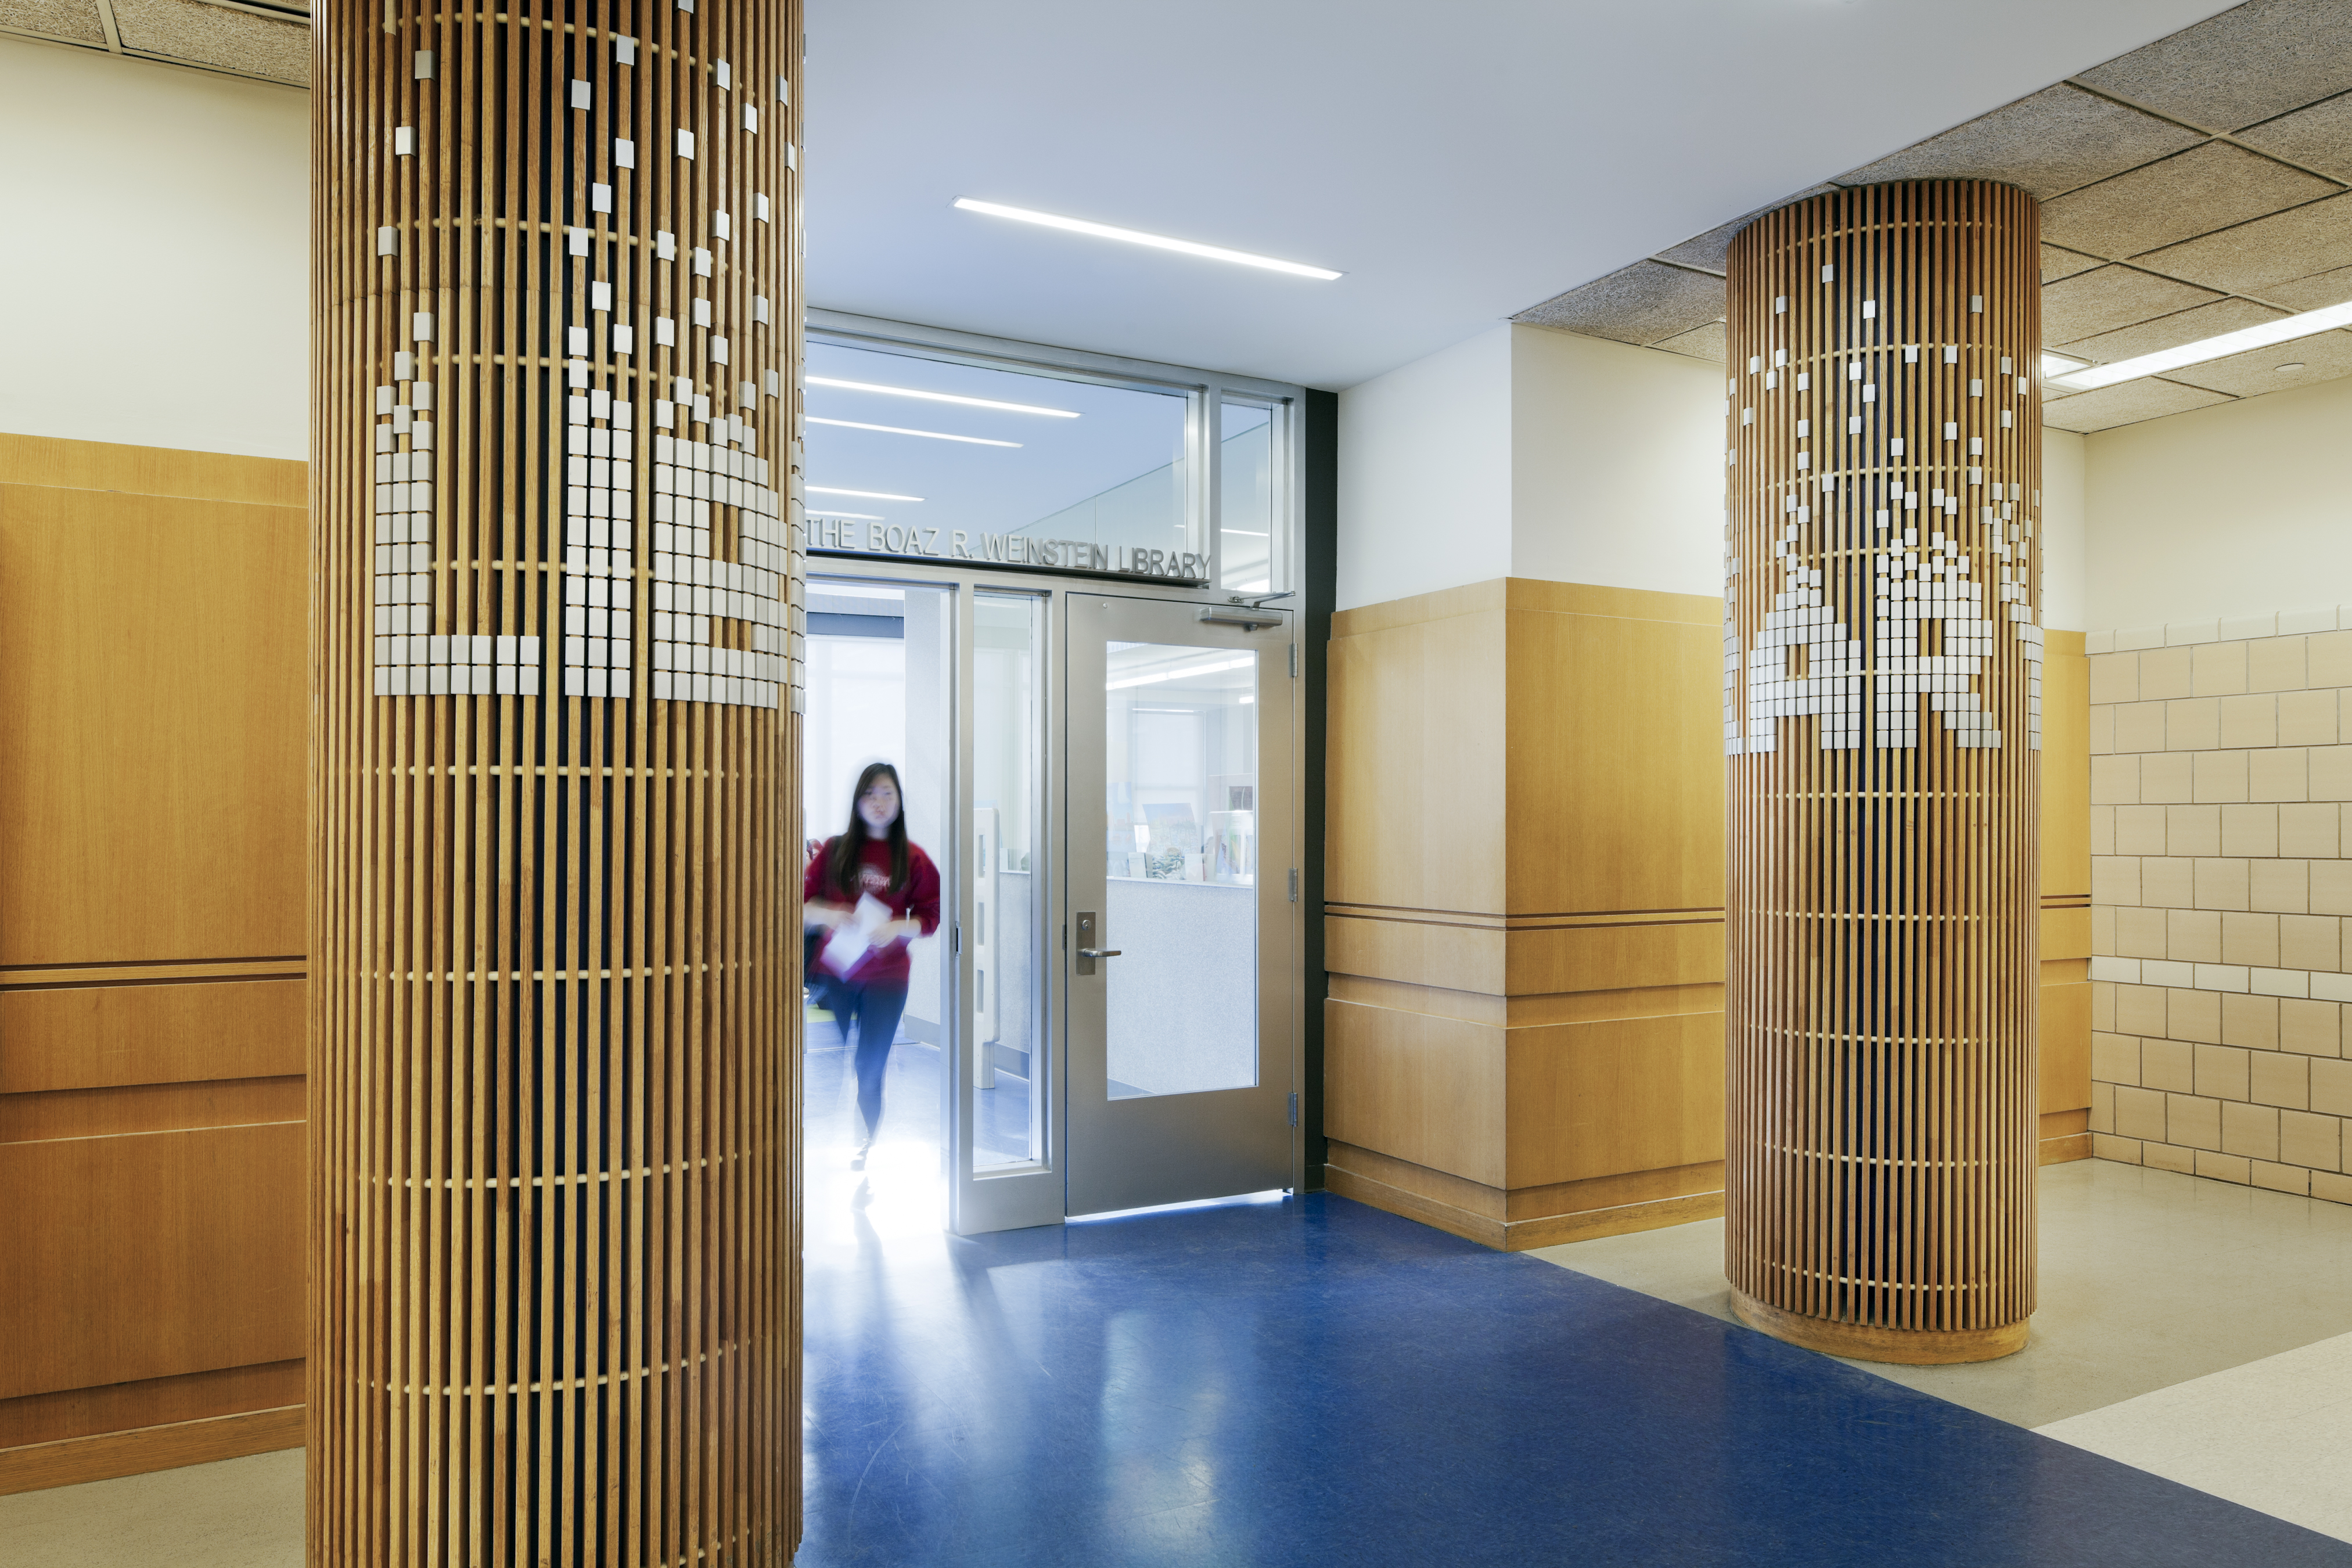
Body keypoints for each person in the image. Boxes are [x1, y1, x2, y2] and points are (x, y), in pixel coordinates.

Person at [804, 762, 940, 1168]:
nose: (879, 803)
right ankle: (810, 1142)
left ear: (899, 802)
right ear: (857, 800)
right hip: (836, 976)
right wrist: (831, 915)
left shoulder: (913, 858)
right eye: (870, 794)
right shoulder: (834, 850)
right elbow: (800, 907)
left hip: (888, 979)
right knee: (825, 1061)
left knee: (870, 1064)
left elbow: (932, 918)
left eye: (888, 794)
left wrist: (901, 925)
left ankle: (865, 1141)